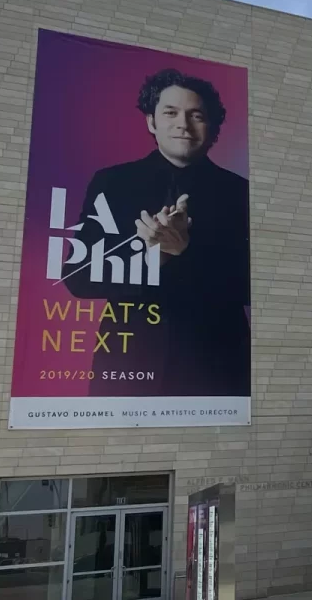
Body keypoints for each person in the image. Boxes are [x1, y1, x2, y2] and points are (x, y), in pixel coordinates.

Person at [63, 68, 250, 397]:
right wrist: (152, 258)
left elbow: (254, 288)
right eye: (171, 112)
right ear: (151, 121)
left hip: (219, 367)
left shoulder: (243, 193)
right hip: (126, 364)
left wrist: (185, 251)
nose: (183, 124)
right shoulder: (111, 182)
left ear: (214, 127)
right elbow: (77, 277)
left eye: (196, 115)